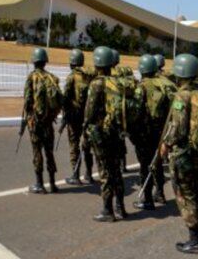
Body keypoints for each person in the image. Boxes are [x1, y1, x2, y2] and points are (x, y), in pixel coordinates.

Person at [160, 53, 198, 254]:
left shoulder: (182, 95)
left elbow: (178, 128)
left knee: (186, 195)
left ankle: (195, 240)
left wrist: (166, 143)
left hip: (184, 153)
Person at [82, 46, 127, 221]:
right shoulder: (118, 82)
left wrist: (85, 130)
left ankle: (107, 211)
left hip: (102, 135)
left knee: (105, 172)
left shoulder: (96, 84)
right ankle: (120, 208)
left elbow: (89, 112)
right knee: (116, 171)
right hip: (116, 134)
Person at [21, 47, 63, 194]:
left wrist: (26, 118)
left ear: (34, 61)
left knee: (37, 152)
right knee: (49, 152)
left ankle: (39, 184)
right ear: (45, 61)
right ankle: (53, 184)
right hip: (48, 122)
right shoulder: (52, 77)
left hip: (35, 122)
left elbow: (27, 101)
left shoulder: (31, 77)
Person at [133, 54, 171, 210]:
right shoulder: (165, 83)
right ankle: (160, 193)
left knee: (145, 165)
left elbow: (136, 111)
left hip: (145, 132)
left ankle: (147, 199)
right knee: (158, 161)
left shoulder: (141, 87)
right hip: (162, 130)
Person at [62, 48, 92, 185]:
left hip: (74, 118)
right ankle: (89, 174)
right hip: (88, 117)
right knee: (87, 146)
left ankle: (75, 175)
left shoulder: (71, 77)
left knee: (74, 146)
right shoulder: (89, 75)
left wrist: (64, 116)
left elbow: (65, 98)